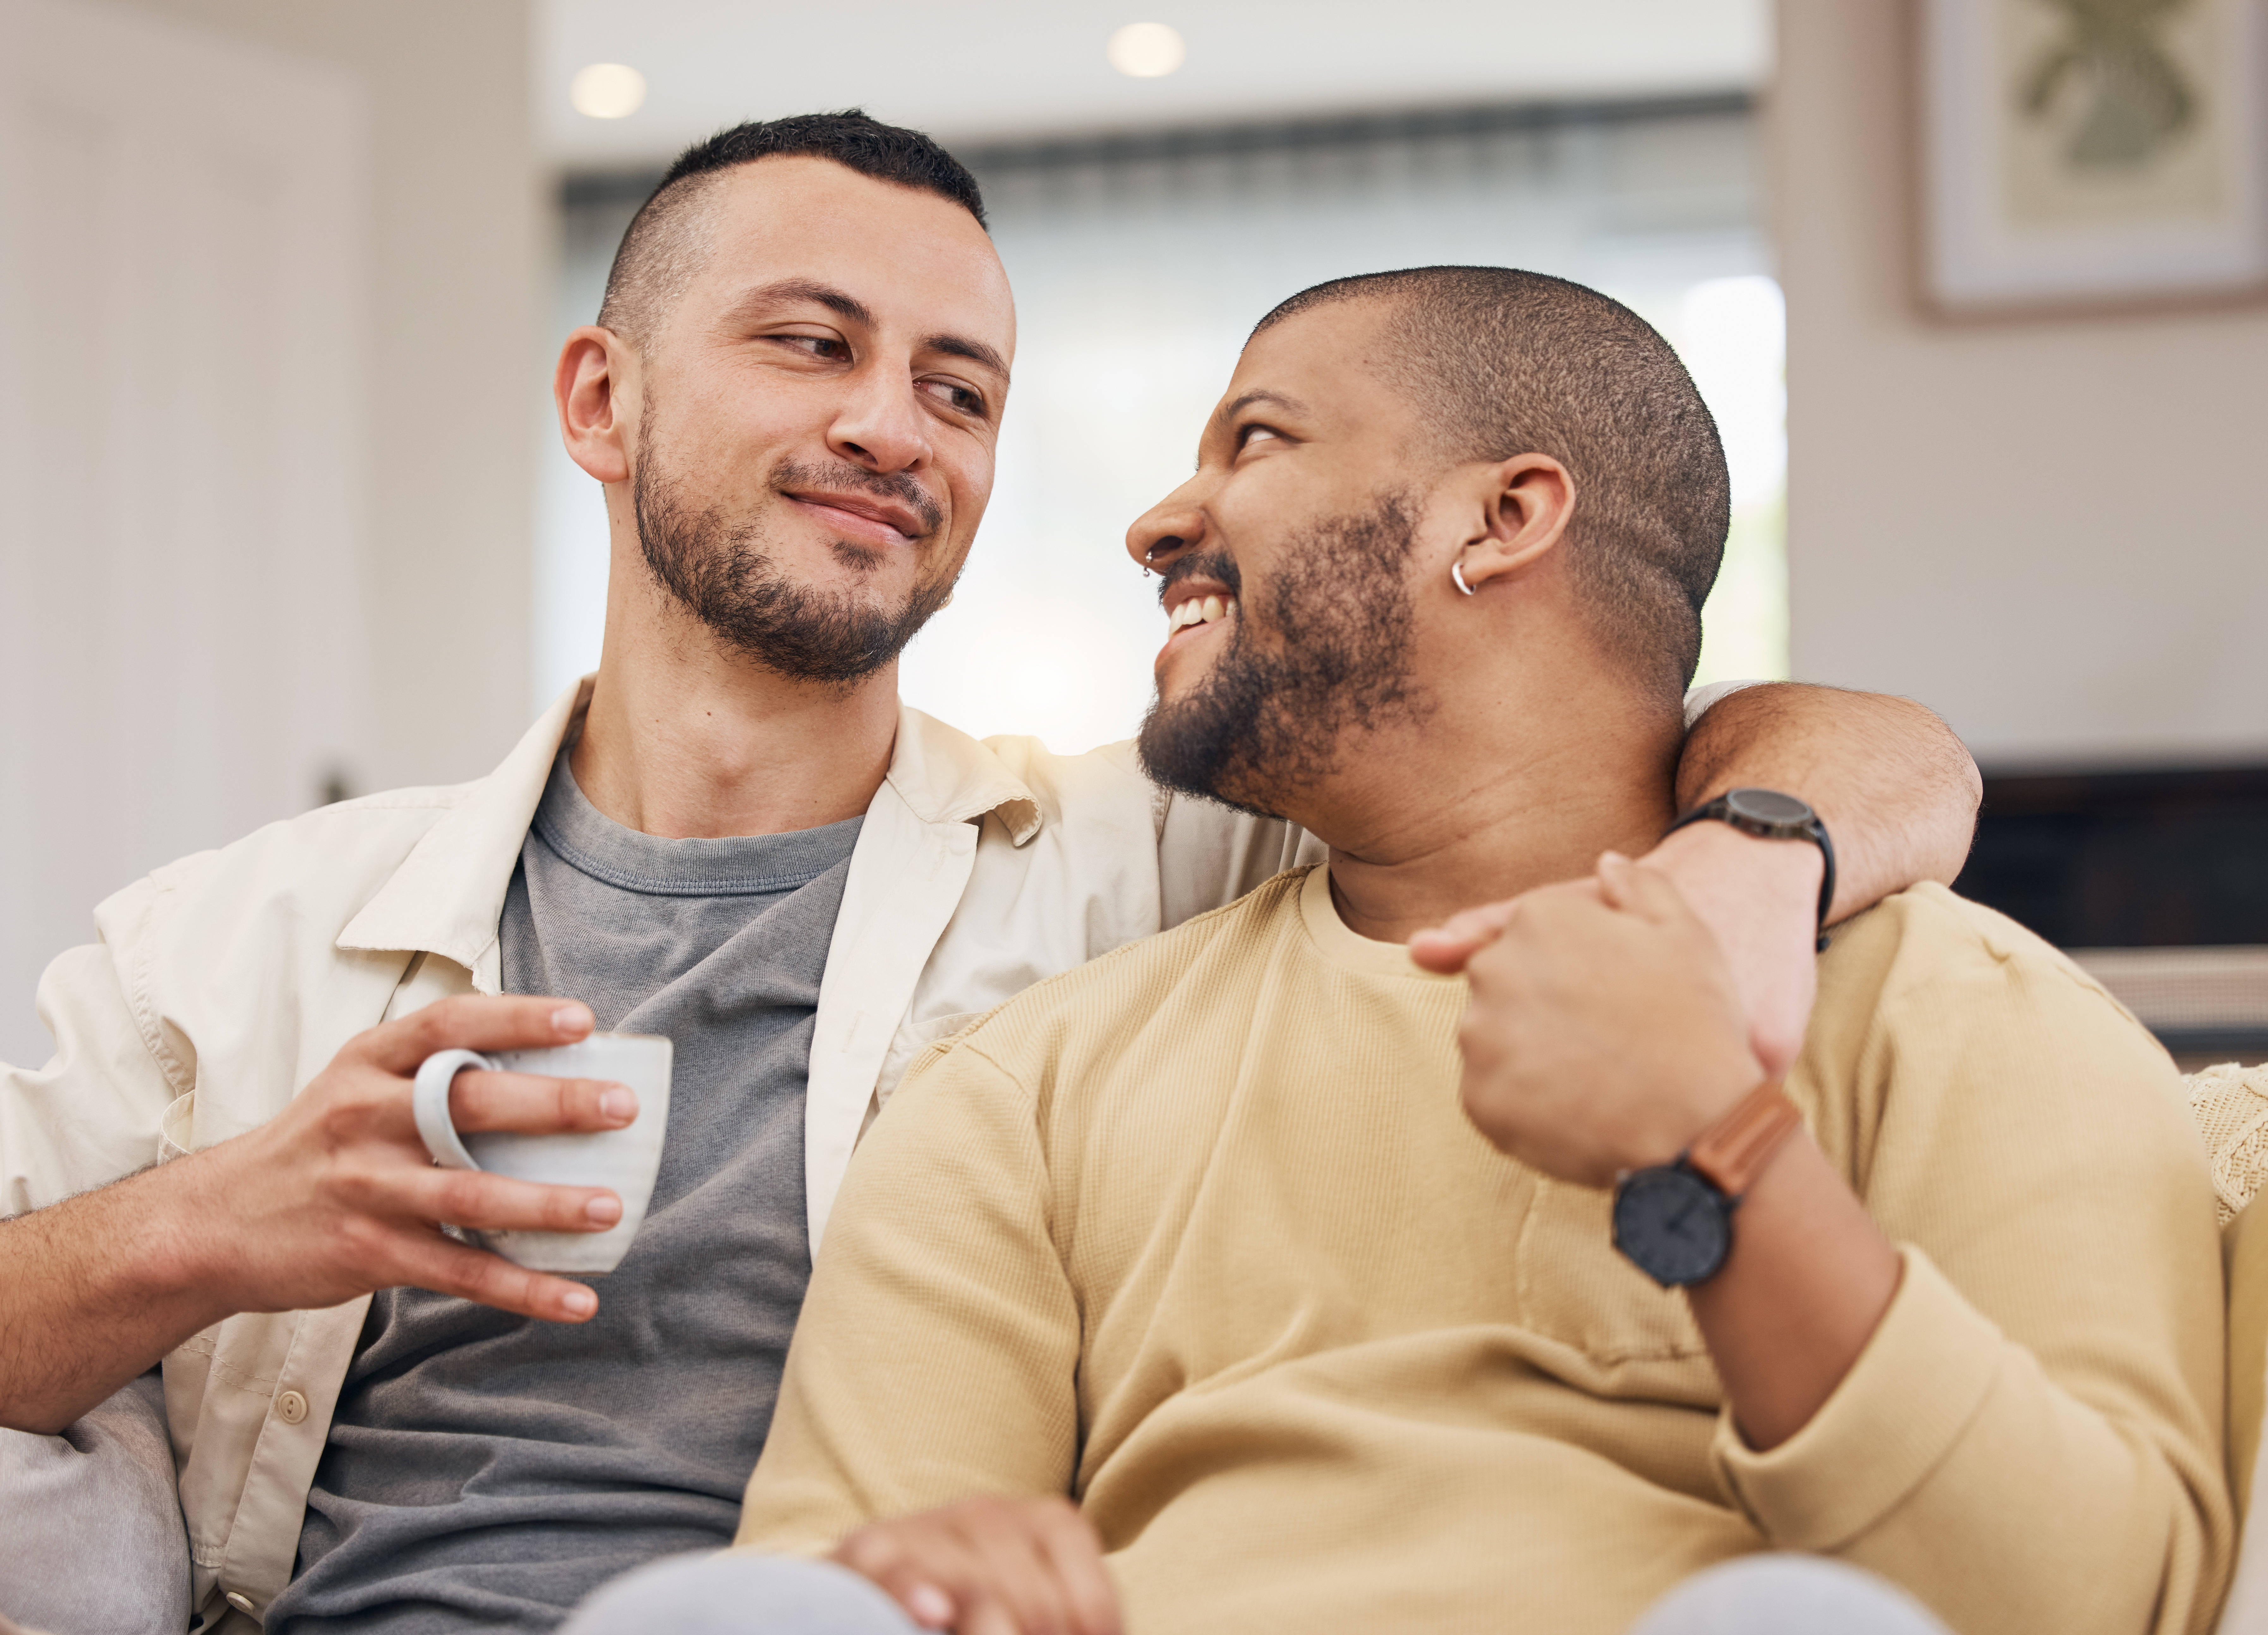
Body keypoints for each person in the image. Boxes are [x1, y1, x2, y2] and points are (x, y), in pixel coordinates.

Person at [0, 117, 1979, 1634]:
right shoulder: (222, 939)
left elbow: (1806, 740)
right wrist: (222, 1221)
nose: (891, 425)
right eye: (810, 344)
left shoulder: (1159, 846)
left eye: (958, 388)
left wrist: (1748, 868)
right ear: (604, 403)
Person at [688, 268, 2232, 1635]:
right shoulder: (1026, 1086)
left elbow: (2089, 1601)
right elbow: (819, 1583)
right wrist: (933, 1570)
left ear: (1504, 519)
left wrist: (1721, 1144)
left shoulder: (1966, 1011)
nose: (1157, 520)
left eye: (1258, 441)